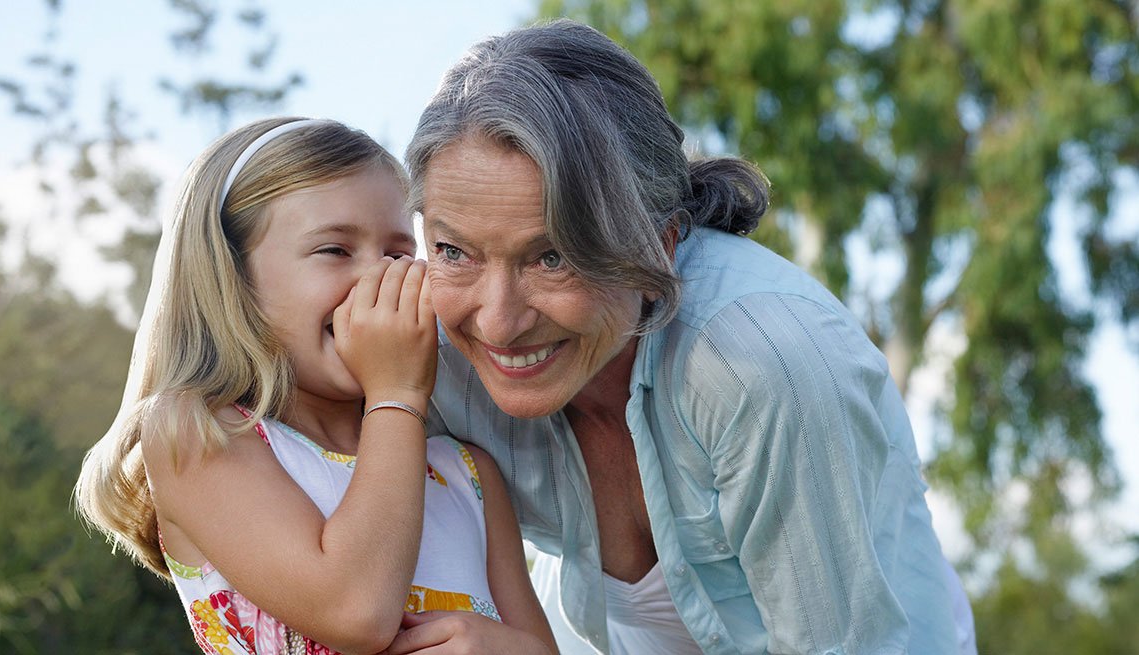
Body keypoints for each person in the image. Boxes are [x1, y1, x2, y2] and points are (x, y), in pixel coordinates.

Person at [406, 19, 973, 654]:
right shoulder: (426, 357)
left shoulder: (762, 368)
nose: (497, 323)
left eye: (553, 257)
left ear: (661, 243)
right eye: (453, 251)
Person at [75, 117, 556, 655]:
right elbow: (357, 611)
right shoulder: (196, 432)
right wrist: (396, 392)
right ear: (234, 279)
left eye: (399, 255)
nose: (378, 278)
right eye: (335, 250)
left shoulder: (468, 475)